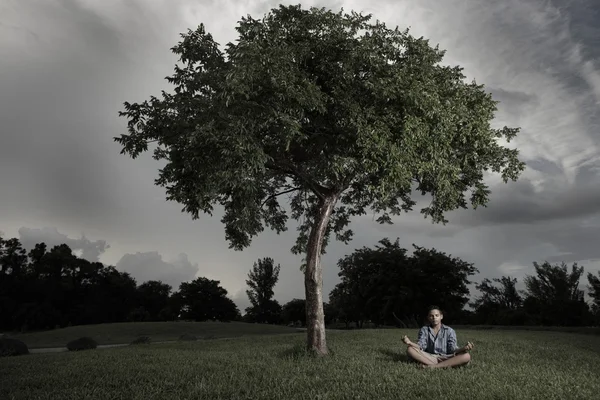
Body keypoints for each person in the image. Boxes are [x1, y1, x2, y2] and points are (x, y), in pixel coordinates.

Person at [401, 305, 473, 369]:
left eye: (436, 315)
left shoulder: (450, 331)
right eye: (431, 316)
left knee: (466, 356)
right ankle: (442, 365)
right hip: (429, 357)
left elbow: (452, 349)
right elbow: (420, 346)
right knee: (410, 349)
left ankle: (433, 366)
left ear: (441, 316)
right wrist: (409, 342)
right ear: (428, 318)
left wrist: (464, 348)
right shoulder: (424, 330)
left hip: (446, 357)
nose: (434, 318)